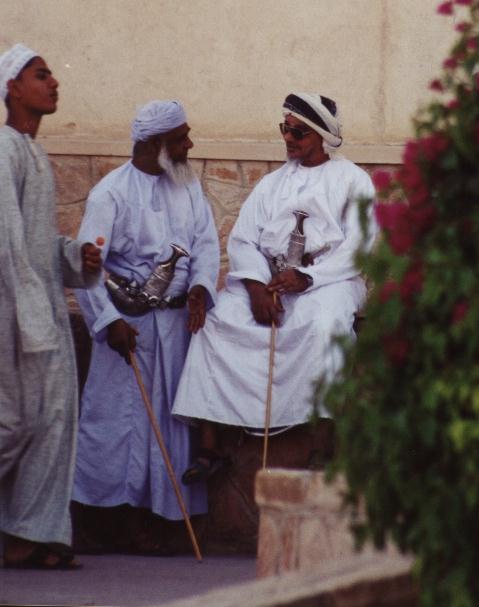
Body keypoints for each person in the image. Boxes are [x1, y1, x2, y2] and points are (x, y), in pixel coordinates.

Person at [173, 92, 376, 479]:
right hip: (271, 279)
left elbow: (358, 247)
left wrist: (309, 277)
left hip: (329, 280)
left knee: (324, 327)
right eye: (285, 128)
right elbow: (243, 240)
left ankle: (322, 447)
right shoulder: (272, 184)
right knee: (216, 322)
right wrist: (255, 289)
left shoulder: (354, 181)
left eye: (298, 132)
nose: (288, 138)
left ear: (321, 135)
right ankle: (211, 450)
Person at [71, 100, 220, 554]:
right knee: (116, 425)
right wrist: (110, 321)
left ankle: (158, 522)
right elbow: (86, 267)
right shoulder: (110, 194)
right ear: (155, 143)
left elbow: (205, 243)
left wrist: (200, 287)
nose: (189, 145)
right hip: (128, 329)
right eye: (181, 138)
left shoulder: (187, 185)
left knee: (167, 426)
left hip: (175, 326)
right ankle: (102, 523)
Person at [0, 43, 102, 569]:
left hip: (41, 312)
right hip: (13, 316)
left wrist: (75, 256)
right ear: (13, 88)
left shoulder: (35, 153)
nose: (54, 82)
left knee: (53, 420)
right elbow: (6, 244)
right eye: (41, 75)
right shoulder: (4, 150)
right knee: (14, 423)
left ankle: (30, 535)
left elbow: (38, 243)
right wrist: (30, 316)